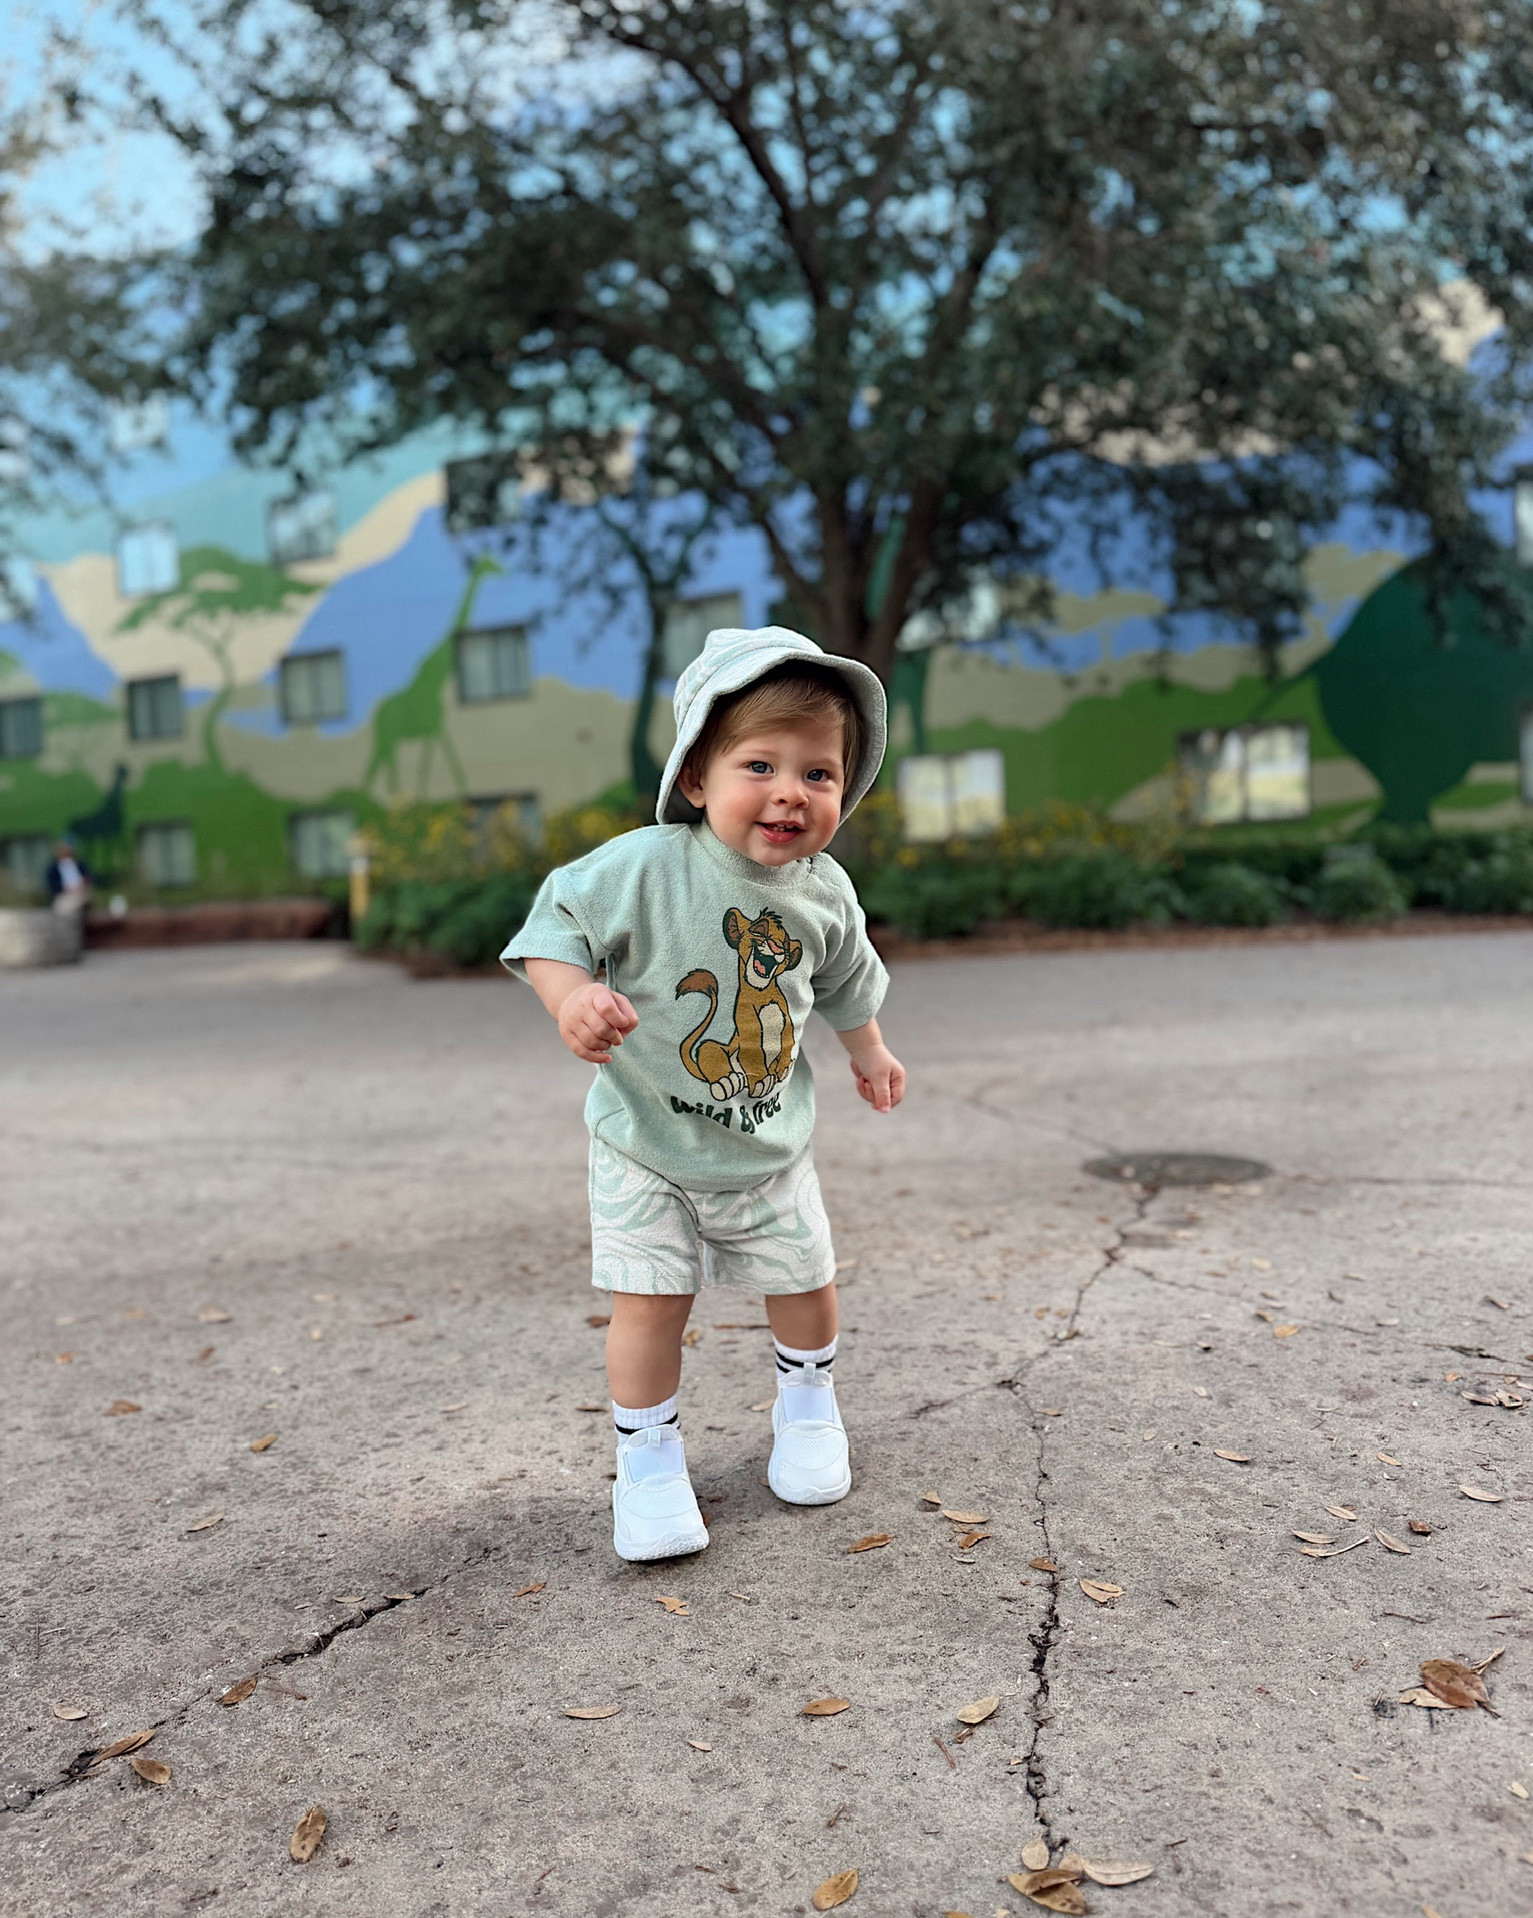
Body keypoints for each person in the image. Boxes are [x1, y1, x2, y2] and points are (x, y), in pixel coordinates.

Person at [503, 625, 906, 1562]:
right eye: (758, 764)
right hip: (645, 1140)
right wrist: (572, 999)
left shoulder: (824, 893)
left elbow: (847, 982)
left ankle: (807, 1406)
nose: (788, 793)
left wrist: (871, 1051)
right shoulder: (645, 866)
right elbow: (552, 923)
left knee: (806, 1278)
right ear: (696, 778)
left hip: (766, 1145)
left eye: (819, 774)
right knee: (650, 1300)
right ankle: (646, 1464)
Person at [46, 839, 93, 915]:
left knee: (84, 898)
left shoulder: (80, 865)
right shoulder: (53, 869)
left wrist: (82, 885)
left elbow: (89, 877)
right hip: (64, 896)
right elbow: (52, 885)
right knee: (65, 906)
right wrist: (67, 888)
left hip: (81, 893)